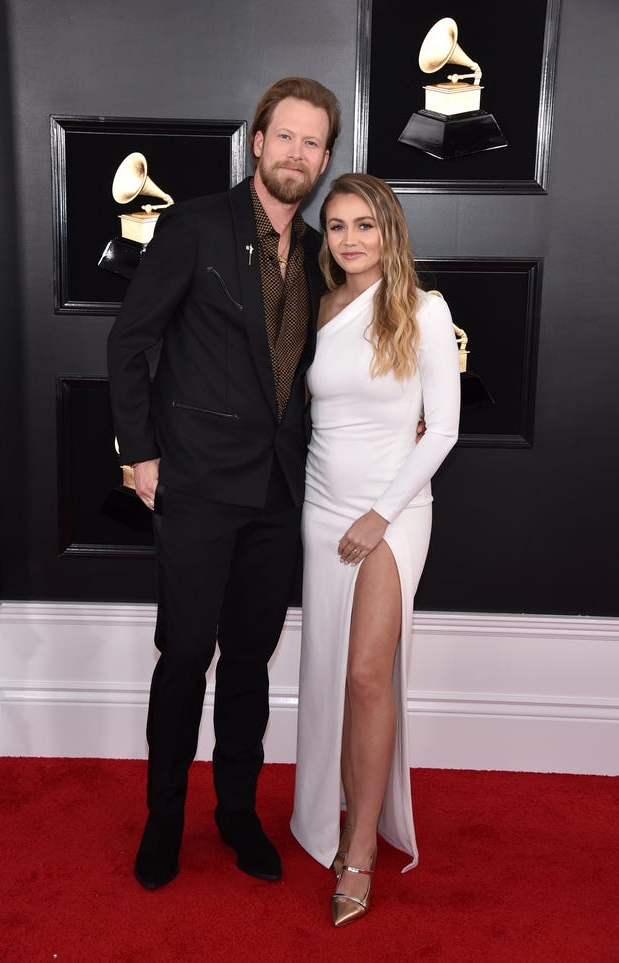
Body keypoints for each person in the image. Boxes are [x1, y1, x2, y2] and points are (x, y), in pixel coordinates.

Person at [107, 77, 340, 889]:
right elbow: (130, 342)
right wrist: (140, 452)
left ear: (323, 157)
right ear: (258, 141)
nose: (296, 153)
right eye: (285, 137)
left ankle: (236, 811)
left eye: (312, 142)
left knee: (250, 662)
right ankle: (164, 816)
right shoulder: (195, 224)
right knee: (184, 657)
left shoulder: (319, 251)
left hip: (279, 492)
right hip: (199, 485)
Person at [290, 173, 460, 926]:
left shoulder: (424, 310)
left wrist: (381, 512)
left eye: (366, 224)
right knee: (329, 666)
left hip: (393, 513)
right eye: (336, 227)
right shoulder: (317, 306)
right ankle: (331, 806)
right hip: (321, 507)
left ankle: (359, 848)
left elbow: (445, 430)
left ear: (390, 231)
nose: (351, 239)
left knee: (367, 673)